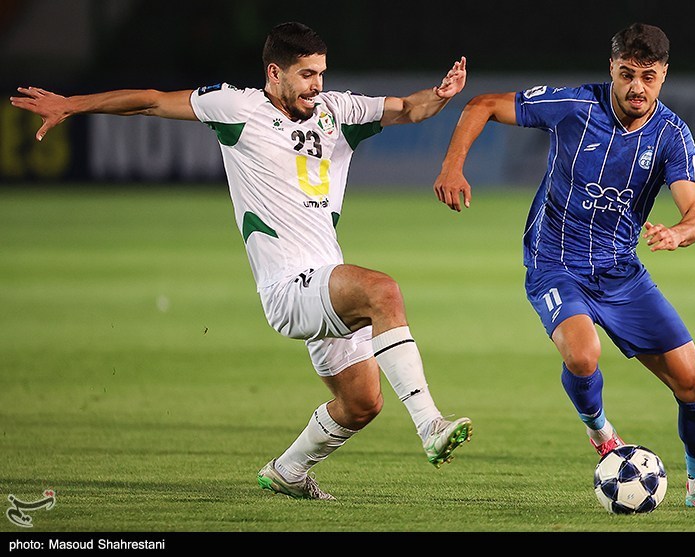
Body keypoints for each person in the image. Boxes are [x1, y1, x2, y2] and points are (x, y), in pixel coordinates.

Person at [11, 21, 472, 501]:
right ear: (275, 73)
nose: (317, 85)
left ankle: (288, 470)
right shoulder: (236, 107)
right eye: (307, 74)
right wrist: (71, 104)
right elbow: (151, 101)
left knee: (361, 404)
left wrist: (440, 95)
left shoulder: (338, 111)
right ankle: (429, 425)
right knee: (382, 290)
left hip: (326, 282)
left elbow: (409, 108)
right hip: (288, 287)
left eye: (321, 73)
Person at [433, 22, 695, 509]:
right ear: (612, 69)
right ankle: (601, 433)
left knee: (694, 382)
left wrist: (678, 232)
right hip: (555, 263)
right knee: (582, 355)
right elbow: (483, 104)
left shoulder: (671, 135)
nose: (637, 87)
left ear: (663, 75)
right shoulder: (576, 105)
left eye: (648, 77)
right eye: (627, 74)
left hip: (621, 272)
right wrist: (452, 167)